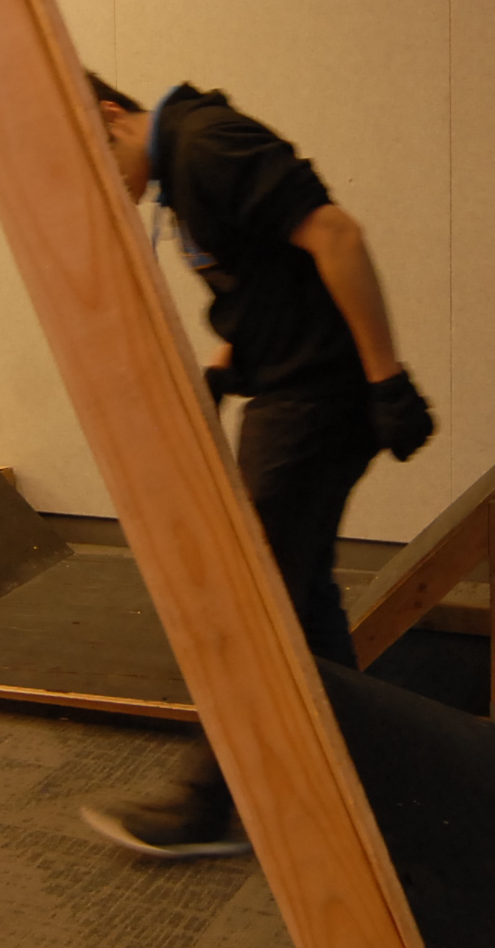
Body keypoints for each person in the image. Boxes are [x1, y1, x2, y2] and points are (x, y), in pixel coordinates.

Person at [76, 74, 436, 857]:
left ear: (111, 115)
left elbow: (336, 235)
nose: (104, 188)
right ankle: (363, 784)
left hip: (316, 400)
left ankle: (208, 806)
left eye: (94, 162)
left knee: (249, 603)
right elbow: (273, 277)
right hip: (292, 392)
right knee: (299, 600)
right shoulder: (182, 166)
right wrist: (224, 366)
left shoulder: (207, 145)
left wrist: (386, 379)